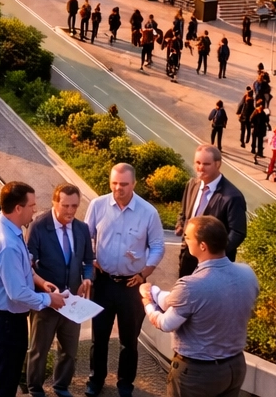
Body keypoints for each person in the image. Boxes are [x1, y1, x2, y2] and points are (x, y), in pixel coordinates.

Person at [140, 217, 259, 397]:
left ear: (202, 246)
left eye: (188, 237)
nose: (185, 240)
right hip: (235, 367)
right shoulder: (247, 274)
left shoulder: (192, 285)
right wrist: (155, 291)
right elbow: (177, 300)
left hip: (198, 374)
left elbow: (165, 323)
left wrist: (148, 303)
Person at [0, 182, 65, 397]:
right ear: (18, 209)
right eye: (32, 205)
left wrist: (39, 281)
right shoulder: (8, 244)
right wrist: (49, 299)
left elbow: (18, 267)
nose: (35, 209)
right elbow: (17, 293)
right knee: (4, 383)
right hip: (6, 323)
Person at [84, 163, 164, 397]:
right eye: (114, 183)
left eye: (124, 184)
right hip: (104, 283)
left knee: (129, 340)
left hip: (132, 285)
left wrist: (144, 273)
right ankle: (95, 379)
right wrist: (93, 260)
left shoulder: (148, 212)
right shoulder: (97, 205)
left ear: (134, 184)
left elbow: (158, 245)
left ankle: (125, 384)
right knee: (98, 337)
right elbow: (85, 237)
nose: (118, 188)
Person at [27, 183, 95, 397]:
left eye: (74, 206)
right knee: (39, 350)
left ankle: (61, 386)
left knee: (70, 350)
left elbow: (88, 261)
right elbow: (27, 265)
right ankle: (35, 389)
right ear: (54, 203)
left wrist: (88, 279)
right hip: (46, 301)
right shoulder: (38, 227)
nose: (70, 211)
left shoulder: (82, 228)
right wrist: (43, 288)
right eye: (65, 205)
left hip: (73, 301)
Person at [175, 146, 246, 278]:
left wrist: (215, 254)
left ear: (218, 164)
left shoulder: (233, 197)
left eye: (206, 164)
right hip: (188, 258)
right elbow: (184, 212)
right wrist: (180, 224)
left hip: (214, 267)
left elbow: (238, 232)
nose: (200, 167)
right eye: (198, 163)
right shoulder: (192, 184)